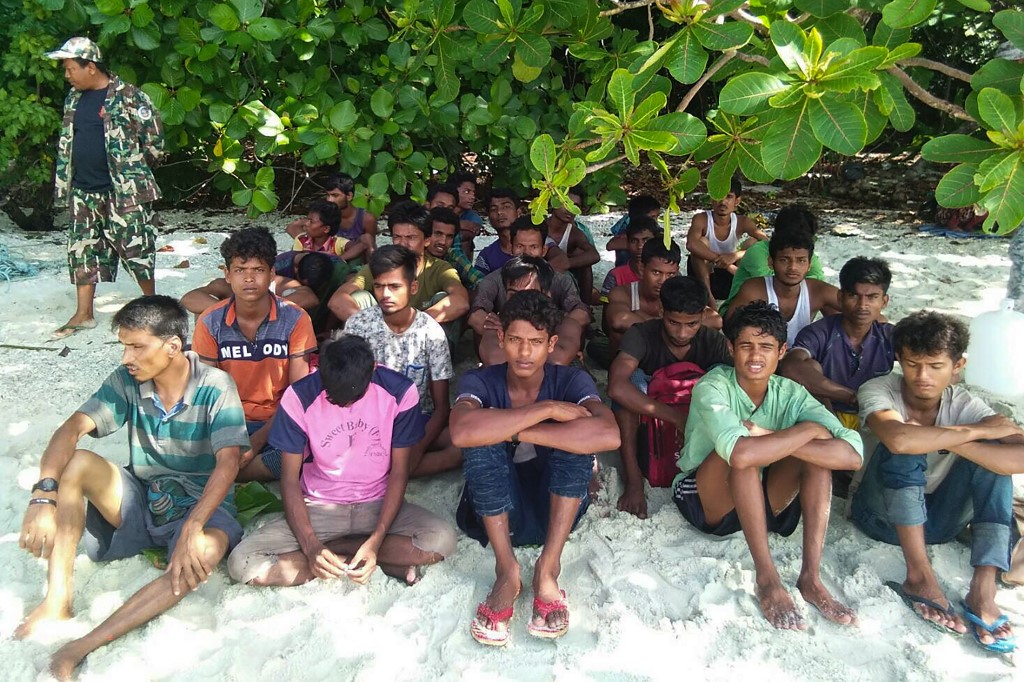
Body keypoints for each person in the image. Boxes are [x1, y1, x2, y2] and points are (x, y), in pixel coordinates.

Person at [15, 296, 250, 679]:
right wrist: (43, 494)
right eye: (124, 346)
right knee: (77, 462)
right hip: (143, 497)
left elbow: (228, 464)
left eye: (137, 346)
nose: (127, 357)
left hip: (203, 505)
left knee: (203, 553)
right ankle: (57, 599)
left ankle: (81, 645)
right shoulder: (127, 380)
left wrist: (193, 525)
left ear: (173, 346)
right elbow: (72, 428)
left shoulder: (215, 385)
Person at [674, 301, 863, 630]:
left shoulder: (791, 392)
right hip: (706, 498)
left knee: (817, 460)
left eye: (766, 347)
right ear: (731, 348)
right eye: (746, 346)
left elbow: (853, 455)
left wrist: (778, 435)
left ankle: (811, 578)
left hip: (764, 500)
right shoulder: (713, 386)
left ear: (782, 351)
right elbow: (740, 456)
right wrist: (805, 431)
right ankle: (768, 578)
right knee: (744, 453)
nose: (755, 356)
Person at [450, 291, 620, 646]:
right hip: (494, 515)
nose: (524, 353)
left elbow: (608, 434)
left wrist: (511, 429)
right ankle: (506, 570)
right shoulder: (480, 381)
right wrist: (547, 411)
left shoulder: (571, 381)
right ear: (501, 339)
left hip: (555, 512)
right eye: (515, 340)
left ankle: (548, 568)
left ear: (551, 343)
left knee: (575, 443)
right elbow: (462, 431)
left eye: (535, 342)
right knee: (482, 444)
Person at [851, 311, 1024, 653]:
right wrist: (974, 433)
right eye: (913, 364)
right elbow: (899, 440)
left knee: (993, 462)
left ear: (958, 365)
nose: (923, 376)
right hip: (880, 516)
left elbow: (1018, 456)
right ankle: (920, 577)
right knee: (906, 445)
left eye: (935, 366)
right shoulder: (878, 389)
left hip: (940, 521)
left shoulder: (962, 403)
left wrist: (958, 440)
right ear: (899, 358)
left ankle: (983, 588)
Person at [227, 335, 457, 588]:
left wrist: (376, 539)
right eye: (335, 397)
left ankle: (341, 552)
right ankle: (363, 559)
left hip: (378, 504)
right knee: (242, 562)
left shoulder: (400, 392)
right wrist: (311, 544)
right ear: (321, 371)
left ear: (372, 369)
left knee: (442, 540)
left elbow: (400, 471)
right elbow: (290, 479)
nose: (345, 404)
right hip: (317, 507)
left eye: (354, 396)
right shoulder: (299, 397)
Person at [45, 37, 164, 339]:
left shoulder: (130, 97)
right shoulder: (74, 98)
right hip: (83, 191)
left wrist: (130, 171)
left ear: (91, 66)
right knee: (82, 251)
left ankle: (152, 309)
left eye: (71, 68)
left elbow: (155, 142)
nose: (67, 75)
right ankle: (83, 315)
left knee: (137, 249)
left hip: (123, 192)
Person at [192, 227, 317, 482]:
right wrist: (232, 439)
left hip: (278, 419)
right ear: (227, 275)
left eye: (258, 270)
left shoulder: (295, 319)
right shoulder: (210, 321)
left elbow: (298, 393)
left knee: (306, 450)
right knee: (184, 441)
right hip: (227, 420)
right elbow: (207, 392)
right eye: (240, 270)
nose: (249, 279)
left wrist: (257, 441)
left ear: (272, 274)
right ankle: (234, 470)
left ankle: (228, 473)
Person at [607, 276, 731, 519]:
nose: (683, 333)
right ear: (661, 310)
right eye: (674, 322)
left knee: (723, 375)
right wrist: (674, 417)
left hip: (697, 418)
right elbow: (616, 387)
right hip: (651, 416)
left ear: (703, 316)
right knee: (634, 380)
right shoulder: (641, 335)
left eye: (692, 324)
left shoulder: (713, 341)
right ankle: (633, 481)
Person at [342, 246, 461, 477]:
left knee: (461, 446)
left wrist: (417, 450)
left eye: (395, 287)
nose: (386, 295)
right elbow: (347, 392)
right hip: (368, 421)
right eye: (379, 286)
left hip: (417, 421)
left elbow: (441, 408)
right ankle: (392, 469)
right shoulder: (358, 325)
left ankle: (389, 468)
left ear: (412, 287)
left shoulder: (430, 331)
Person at [780, 257, 894, 428]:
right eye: (854, 296)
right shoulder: (820, 332)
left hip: (875, 416)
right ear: (840, 297)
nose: (862, 305)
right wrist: (850, 396)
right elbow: (790, 367)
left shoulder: (889, 335)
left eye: (872, 297)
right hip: (825, 415)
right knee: (809, 365)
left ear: (884, 301)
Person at [328, 200, 469, 329]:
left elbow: (461, 301)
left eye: (411, 238)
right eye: (397, 237)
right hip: (381, 339)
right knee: (359, 297)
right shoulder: (380, 266)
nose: (402, 244)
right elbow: (337, 300)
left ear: (427, 240)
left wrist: (413, 323)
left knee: (444, 298)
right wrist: (377, 327)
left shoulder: (440, 269)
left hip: (423, 339)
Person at [470, 224, 592, 366]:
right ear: (510, 248)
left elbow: (581, 313)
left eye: (533, 247)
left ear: (543, 249)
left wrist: (548, 324)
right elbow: (476, 316)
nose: (526, 252)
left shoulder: (560, 279)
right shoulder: (494, 279)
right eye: (520, 246)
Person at [726, 226, 839, 347]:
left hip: (802, 356)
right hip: (763, 356)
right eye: (784, 260)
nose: (793, 267)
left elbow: (857, 304)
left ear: (809, 265)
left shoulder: (818, 290)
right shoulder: (755, 289)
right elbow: (730, 328)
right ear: (771, 262)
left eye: (801, 261)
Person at [719, 204, 827, 314]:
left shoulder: (806, 252)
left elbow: (819, 280)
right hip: (744, 313)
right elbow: (773, 287)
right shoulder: (758, 251)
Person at [686, 176, 768, 309]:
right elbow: (691, 244)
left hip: (731, 277)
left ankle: (744, 297)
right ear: (712, 198)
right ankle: (709, 299)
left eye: (728, 197)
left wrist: (736, 255)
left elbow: (766, 243)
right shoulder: (701, 219)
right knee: (701, 242)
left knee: (753, 243)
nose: (723, 202)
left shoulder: (743, 222)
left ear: (737, 201)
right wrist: (723, 262)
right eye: (719, 196)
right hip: (703, 275)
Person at [286, 173, 377, 264]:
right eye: (328, 195)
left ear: (349, 196)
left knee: (367, 238)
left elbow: (368, 247)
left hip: (354, 260)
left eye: (335, 195)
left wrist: (336, 259)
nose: (330, 200)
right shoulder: (324, 215)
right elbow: (292, 227)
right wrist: (309, 238)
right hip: (324, 257)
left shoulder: (367, 219)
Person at [476, 197, 569, 275]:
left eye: (506, 207)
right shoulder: (486, 256)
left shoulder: (542, 239)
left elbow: (562, 261)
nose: (499, 212)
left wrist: (534, 276)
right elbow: (480, 288)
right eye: (493, 209)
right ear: (511, 248)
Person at [545, 185, 600, 304]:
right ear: (554, 203)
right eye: (566, 203)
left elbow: (594, 255)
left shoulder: (575, 233)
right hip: (538, 275)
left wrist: (566, 263)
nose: (570, 209)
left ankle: (585, 307)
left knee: (584, 261)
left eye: (576, 206)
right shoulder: (539, 226)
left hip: (565, 278)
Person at [599, 215, 657, 302]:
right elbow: (608, 313)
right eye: (634, 241)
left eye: (646, 240)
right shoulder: (615, 276)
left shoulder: (668, 273)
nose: (640, 246)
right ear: (627, 243)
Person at [428, 206, 484, 290]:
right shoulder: (413, 256)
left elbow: (479, 279)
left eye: (449, 236)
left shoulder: (452, 256)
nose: (443, 242)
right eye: (438, 234)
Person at [606, 194, 661, 267]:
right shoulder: (628, 230)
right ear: (640, 217)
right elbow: (610, 245)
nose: (655, 221)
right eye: (652, 217)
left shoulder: (655, 229)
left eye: (657, 216)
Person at [451, 171, 483, 258]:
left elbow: (468, 233)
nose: (472, 197)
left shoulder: (473, 217)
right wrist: (460, 224)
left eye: (473, 193)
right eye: (466, 192)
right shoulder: (440, 209)